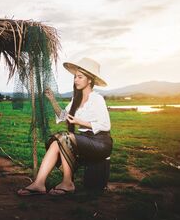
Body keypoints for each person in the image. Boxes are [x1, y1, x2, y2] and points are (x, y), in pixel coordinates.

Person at [17, 57, 112, 196]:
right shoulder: (76, 99)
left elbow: (105, 125)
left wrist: (79, 122)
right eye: (75, 77)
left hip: (100, 142)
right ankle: (39, 183)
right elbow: (63, 116)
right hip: (84, 140)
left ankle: (67, 183)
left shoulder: (97, 99)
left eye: (80, 77)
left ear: (90, 80)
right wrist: (52, 99)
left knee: (64, 137)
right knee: (56, 142)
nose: (76, 80)